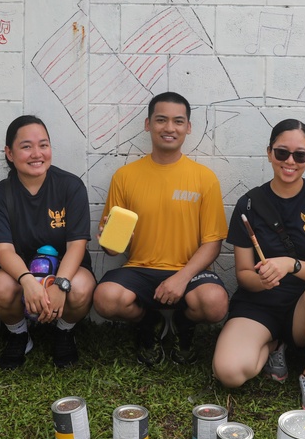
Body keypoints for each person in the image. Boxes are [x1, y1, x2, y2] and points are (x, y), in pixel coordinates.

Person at [212, 119, 305, 415]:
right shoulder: (248, 204)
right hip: (259, 305)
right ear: (269, 152)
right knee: (230, 373)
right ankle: (274, 344)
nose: (290, 161)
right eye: (282, 152)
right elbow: (244, 275)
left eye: (300, 155)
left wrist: (290, 264)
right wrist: (263, 280)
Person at [93, 92, 228, 366]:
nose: (169, 128)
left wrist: (182, 277)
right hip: (140, 268)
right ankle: (148, 323)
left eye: (178, 121)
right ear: (148, 124)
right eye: (161, 120)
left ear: (188, 127)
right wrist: (110, 241)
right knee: (106, 300)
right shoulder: (125, 176)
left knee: (215, 304)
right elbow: (112, 248)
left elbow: (213, 242)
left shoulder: (204, 178)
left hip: (190, 270)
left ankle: (182, 324)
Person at [0, 115, 95, 369]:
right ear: (9, 153)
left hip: (64, 270)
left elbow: (77, 246)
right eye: (26, 146)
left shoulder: (71, 186)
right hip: (21, 272)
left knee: (80, 288)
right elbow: (3, 250)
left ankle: (64, 332)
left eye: (43, 145)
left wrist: (60, 284)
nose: (37, 153)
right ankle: (19, 335)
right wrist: (27, 281)